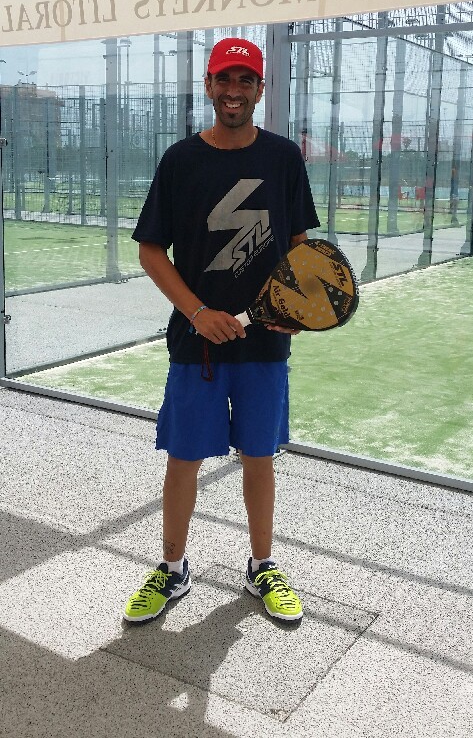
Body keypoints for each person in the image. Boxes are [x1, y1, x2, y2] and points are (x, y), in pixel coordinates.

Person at [123, 36, 319, 625]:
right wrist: (197, 313)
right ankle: (173, 568)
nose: (234, 91)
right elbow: (151, 251)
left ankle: (262, 566)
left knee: (259, 456)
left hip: (264, 344)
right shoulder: (180, 160)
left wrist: (294, 305)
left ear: (260, 89)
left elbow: (298, 245)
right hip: (195, 345)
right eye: (224, 79)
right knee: (184, 458)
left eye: (245, 80)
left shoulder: (283, 158)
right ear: (208, 85)